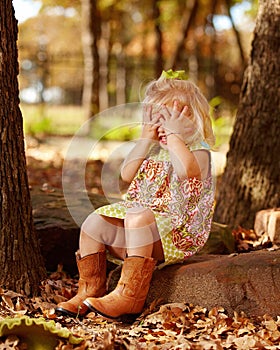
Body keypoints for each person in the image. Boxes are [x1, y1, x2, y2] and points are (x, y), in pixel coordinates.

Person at [56, 69, 216, 320]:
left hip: (175, 235)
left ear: (190, 120)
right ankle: (89, 289)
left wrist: (176, 138)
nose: (162, 128)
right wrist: (144, 140)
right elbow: (127, 173)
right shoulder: (153, 150)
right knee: (94, 221)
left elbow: (188, 172)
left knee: (138, 216)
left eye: (169, 119)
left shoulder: (199, 151)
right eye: (157, 120)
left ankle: (129, 296)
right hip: (140, 232)